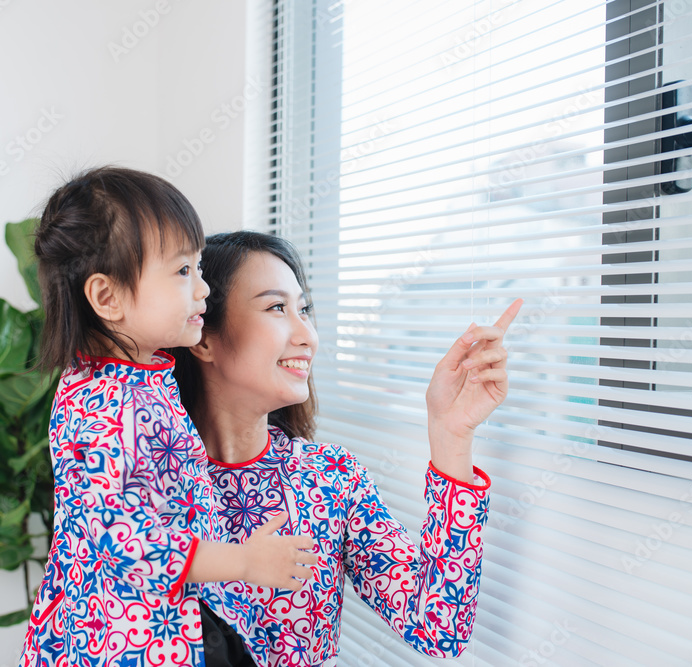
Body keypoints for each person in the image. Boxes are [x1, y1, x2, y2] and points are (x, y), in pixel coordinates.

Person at [170, 230, 521, 666]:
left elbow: (439, 629)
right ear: (204, 338)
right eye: (277, 308)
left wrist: (450, 435)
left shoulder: (329, 478)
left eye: (304, 310)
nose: (308, 336)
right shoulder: (153, 483)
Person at [19, 169, 316, 667]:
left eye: (199, 268)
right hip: (121, 642)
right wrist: (240, 561)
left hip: (165, 627)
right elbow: (115, 535)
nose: (203, 291)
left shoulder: (138, 381)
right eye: (183, 272)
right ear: (107, 298)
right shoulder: (101, 405)